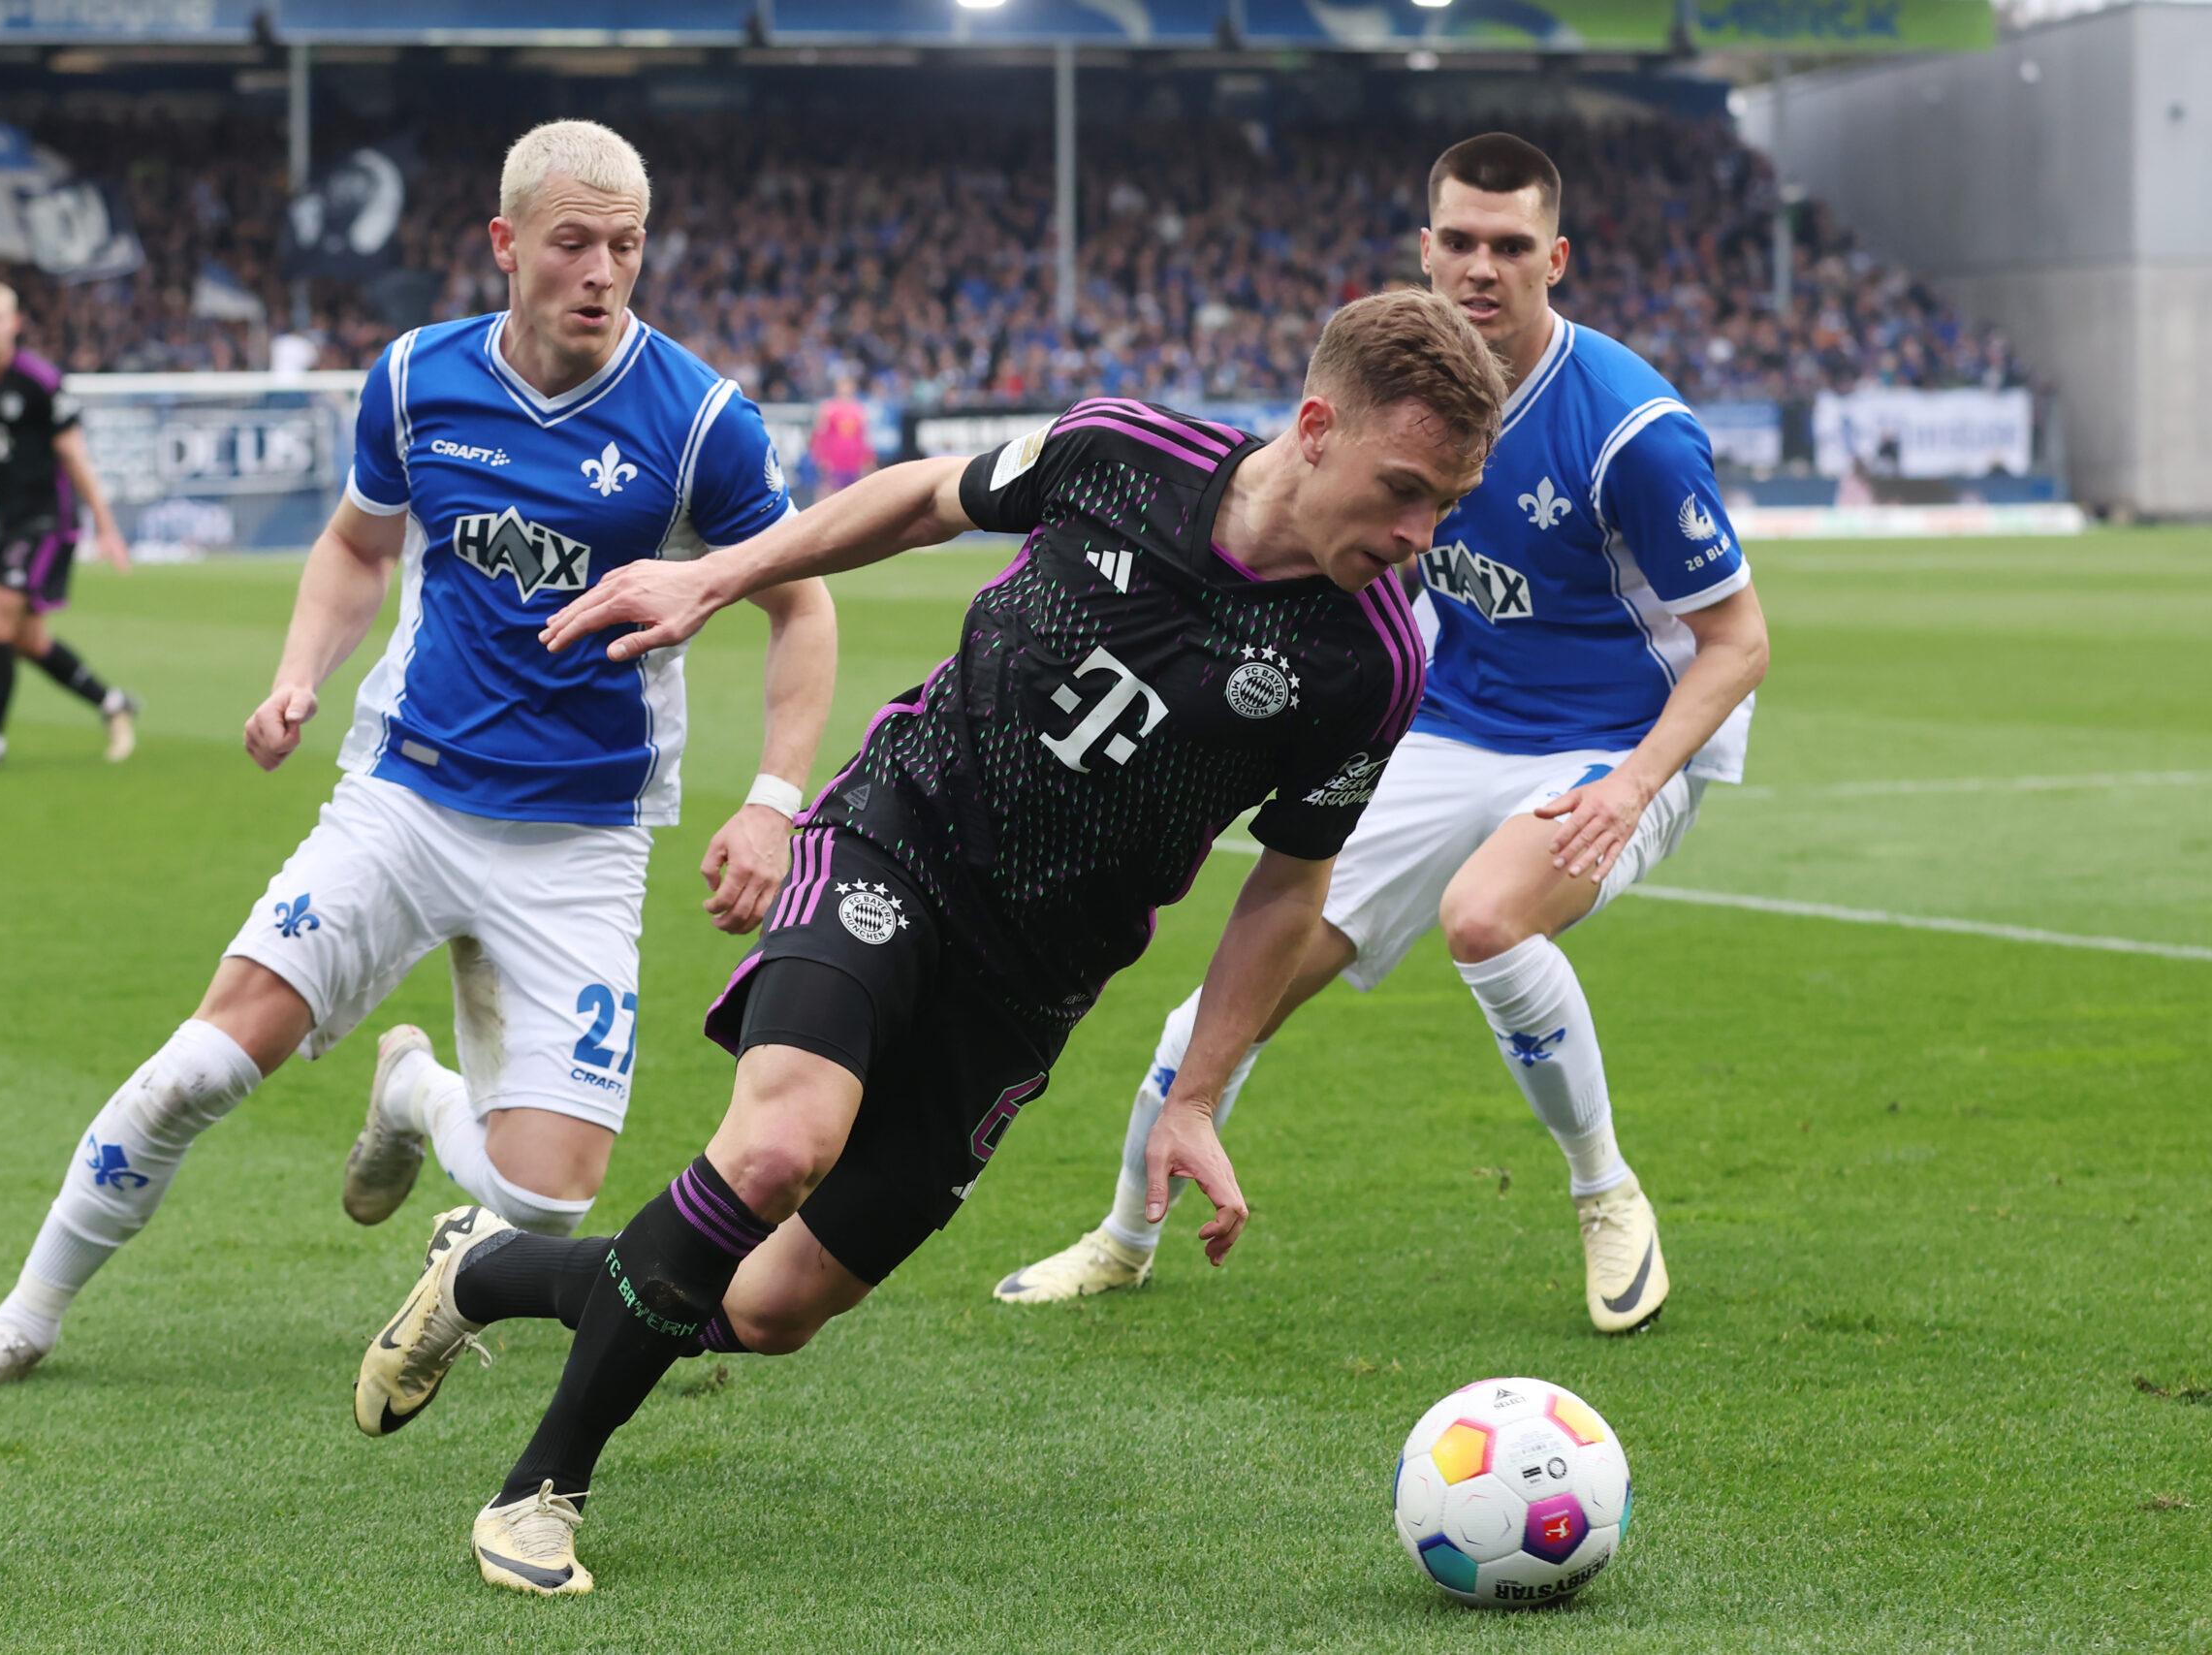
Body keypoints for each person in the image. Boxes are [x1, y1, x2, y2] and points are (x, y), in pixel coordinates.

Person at [350, 288, 1505, 1598]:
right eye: (1404, 489)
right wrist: (723, 571)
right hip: (902, 831)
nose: (1417, 535)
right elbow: (922, 499)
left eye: (1445, 510)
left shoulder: (1374, 663)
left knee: (776, 1304)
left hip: (1030, 983)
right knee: (782, 1138)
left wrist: (1193, 1094)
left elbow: (1291, 883)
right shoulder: (1125, 454)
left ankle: (488, 1267)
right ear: (1314, 427)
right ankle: (541, 1488)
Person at [0, 120, 837, 1394]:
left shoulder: (701, 421)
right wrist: (300, 674)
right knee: (201, 1063)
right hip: (404, 797)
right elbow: (358, 546)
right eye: (573, 242)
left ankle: (410, 1091)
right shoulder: (413, 379)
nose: (604, 272)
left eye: (627, 245)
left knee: (541, 1196)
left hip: (579, 839)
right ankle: (25, 1315)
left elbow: (805, 603)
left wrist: (775, 800)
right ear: (506, 245)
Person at [995, 133, 1771, 1335]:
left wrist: (1630, 789)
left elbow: (1737, 643)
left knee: (1484, 918)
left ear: (1553, 259)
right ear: (1423, 248)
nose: (1478, 268)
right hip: (1449, 724)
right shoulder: (1387, 401)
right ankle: (1121, 1238)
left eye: (1509, 247)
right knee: (1229, 999)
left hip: (1614, 738)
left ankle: (1603, 1191)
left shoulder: (1631, 429)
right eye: (1456, 241)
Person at [0, 281, 138, 773]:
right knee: (27, 640)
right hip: (8, 520)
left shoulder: (39, 380)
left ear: (15, 323)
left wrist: (106, 527)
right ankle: (112, 704)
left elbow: (75, 457)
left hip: (50, 519)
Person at [806, 375, 875, 502]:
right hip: (834, 460)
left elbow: (863, 436)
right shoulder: (829, 408)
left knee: (853, 496)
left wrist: (867, 458)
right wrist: (821, 458)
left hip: (853, 461)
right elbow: (820, 435)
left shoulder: (859, 409)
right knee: (829, 493)